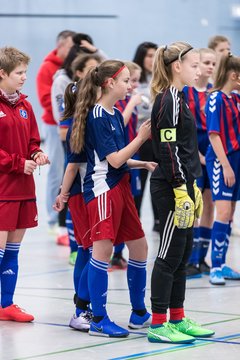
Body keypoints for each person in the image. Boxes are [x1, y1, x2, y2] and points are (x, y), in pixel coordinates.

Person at [70, 60, 155, 337]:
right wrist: (142, 137)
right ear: (109, 83)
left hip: (121, 187)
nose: (130, 85)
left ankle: (139, 312)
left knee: (140, 248)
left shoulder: (115, 113)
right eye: (126, 81)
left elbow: (118, 160)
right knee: (102, 253)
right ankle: (98, 318)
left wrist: (140, 164)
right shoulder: (96, 115)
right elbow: (115, 160)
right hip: (102, 190)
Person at [148, 42, 215, 343]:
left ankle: (177, 317)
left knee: (183, 252)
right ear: (177, 66)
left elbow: (186, 149)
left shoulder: (182, 98)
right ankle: (158, 323)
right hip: (170, 186)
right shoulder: (168, 100)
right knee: (168, 254)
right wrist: (179, 188)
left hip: (185, 185)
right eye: (194, 65)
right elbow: (167, 147)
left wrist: (193, 185)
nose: (199, 70)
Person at [0, 46, 49, 322]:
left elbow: (32, 140)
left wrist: (36, 154)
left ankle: (6, 304)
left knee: (13, 251)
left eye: (25, 73)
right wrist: (18, 163)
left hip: (24, 190)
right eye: (18, 73)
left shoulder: (26, 105)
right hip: (3, 190)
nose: (23, 78)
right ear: (2, 73)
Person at [53, 81, 92, 331]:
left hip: (87, 193)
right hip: (81, 194)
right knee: (88, 249)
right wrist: (64, 194)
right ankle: (80, 310)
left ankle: (83, 306)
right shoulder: (77, 127)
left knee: (88, 249)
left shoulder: (90, 121)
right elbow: (72, 165)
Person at [36, 30, 75, 237]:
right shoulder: (47, 68)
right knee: (55, 169)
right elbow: (45, 99)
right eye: (69, 47)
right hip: (54, 126)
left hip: (68, 126)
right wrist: (66, 118)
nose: (72, 51)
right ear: (60, 46)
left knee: (65, 169)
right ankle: (53, 218)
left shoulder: (70, 69)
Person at [205, 53, 240, 285]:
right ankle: (215, 266)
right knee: (223, 212)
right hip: (221, 161)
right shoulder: (215, 98)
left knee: (231, 215)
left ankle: (223, 262)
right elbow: (214, 135)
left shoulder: (236, 99)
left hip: (236, 160)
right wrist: (226, 165)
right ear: (234, 75)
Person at [183, 48, 216, 278]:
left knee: (210, 203)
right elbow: (185, 129)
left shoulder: (214, 92)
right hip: (193, 149)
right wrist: (197, 155)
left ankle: (203, 258)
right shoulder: (186, 92)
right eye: (206, 63)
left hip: (212, 150)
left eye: (213, 63)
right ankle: (191, 260)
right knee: (195, 205)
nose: (210, 67)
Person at [111, 61, 143, 270]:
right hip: (118, 157)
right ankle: (111, 252)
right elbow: (119, 124)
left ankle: (119, 253)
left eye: (136, 81)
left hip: (132, 154)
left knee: (132, 204)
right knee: (118, 208)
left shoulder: (129, 99)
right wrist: (132, 105)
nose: (133, 86)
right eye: (130, 80)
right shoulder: (118, 102)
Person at [132, 42, 159, 231]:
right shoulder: (133, 81)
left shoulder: (158, 79)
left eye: (154, 55)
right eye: (149, 55)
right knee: (139, 181)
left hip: (157, 137)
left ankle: (158, 221)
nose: (151, 59)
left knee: (158, 179)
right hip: (139, 138)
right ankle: (136, 218)